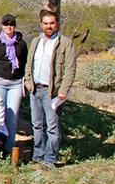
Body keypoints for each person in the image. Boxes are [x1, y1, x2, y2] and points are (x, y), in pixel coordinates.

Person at [24, 9, 77, 169]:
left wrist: (63, 91)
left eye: (52, 23)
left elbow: (70, 68)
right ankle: (38, 155)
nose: (49, 26)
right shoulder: (35, 41)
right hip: (35, 89)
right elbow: (29, 64)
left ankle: (50, 159)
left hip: (52, 92)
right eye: (45, 23)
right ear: (41, 24)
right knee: (37, 125)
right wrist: (28, 82)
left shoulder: (65, 43)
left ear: (57, 24)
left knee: (52, 127)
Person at [0, 14, 28, 154]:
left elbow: (25, 63)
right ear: (2, 25)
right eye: (6, 24)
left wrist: (25, 81)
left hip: (15, 83)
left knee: (12, 116)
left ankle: (9, 149)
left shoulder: (21, 43)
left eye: (11, 24)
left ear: (15, 25)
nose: (8, 27)